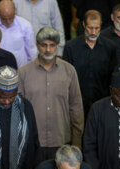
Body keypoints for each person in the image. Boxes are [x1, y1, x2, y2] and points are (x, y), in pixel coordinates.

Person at [18, 27, 83, 160]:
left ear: (57, 46)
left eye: (52, 45)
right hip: (32, 141)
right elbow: (18, 110)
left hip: (61, 141)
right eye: (44, 45)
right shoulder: (23, 72)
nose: (48, 49)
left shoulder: (69, 71)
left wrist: (77, 141)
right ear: (37, 46)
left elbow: (76, 108)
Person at [63, 10, 117, 118]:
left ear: (101, 26)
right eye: (90, 28)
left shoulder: (109, 47)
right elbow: (66, 77)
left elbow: (113, 75)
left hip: (102, 103)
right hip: (77, 103)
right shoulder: (71, 47)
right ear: (83, 25)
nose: (93, 32)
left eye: (97, 28)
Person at [0, 0, 37, 67]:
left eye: (11, 18)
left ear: (15, 12)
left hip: (20, 68)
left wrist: (32, 66)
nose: (8, 21)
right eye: (4, 19)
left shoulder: (25, 25)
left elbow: (31, 49)